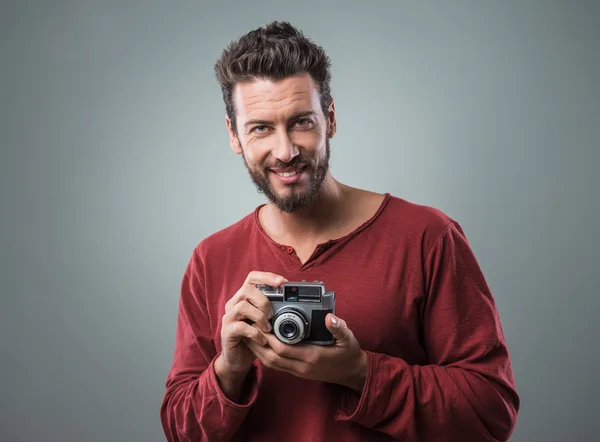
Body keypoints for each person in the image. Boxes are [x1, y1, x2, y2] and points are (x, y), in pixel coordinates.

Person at [160, 21, 520, 442]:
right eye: (260, 128)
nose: (285, 151)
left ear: (330, 119)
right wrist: (228, 370)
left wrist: (360, 372)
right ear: (233, 135)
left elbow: (491, 412)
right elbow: (180, 430)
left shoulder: (427, 237)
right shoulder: (211, 258)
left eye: (301, 122)